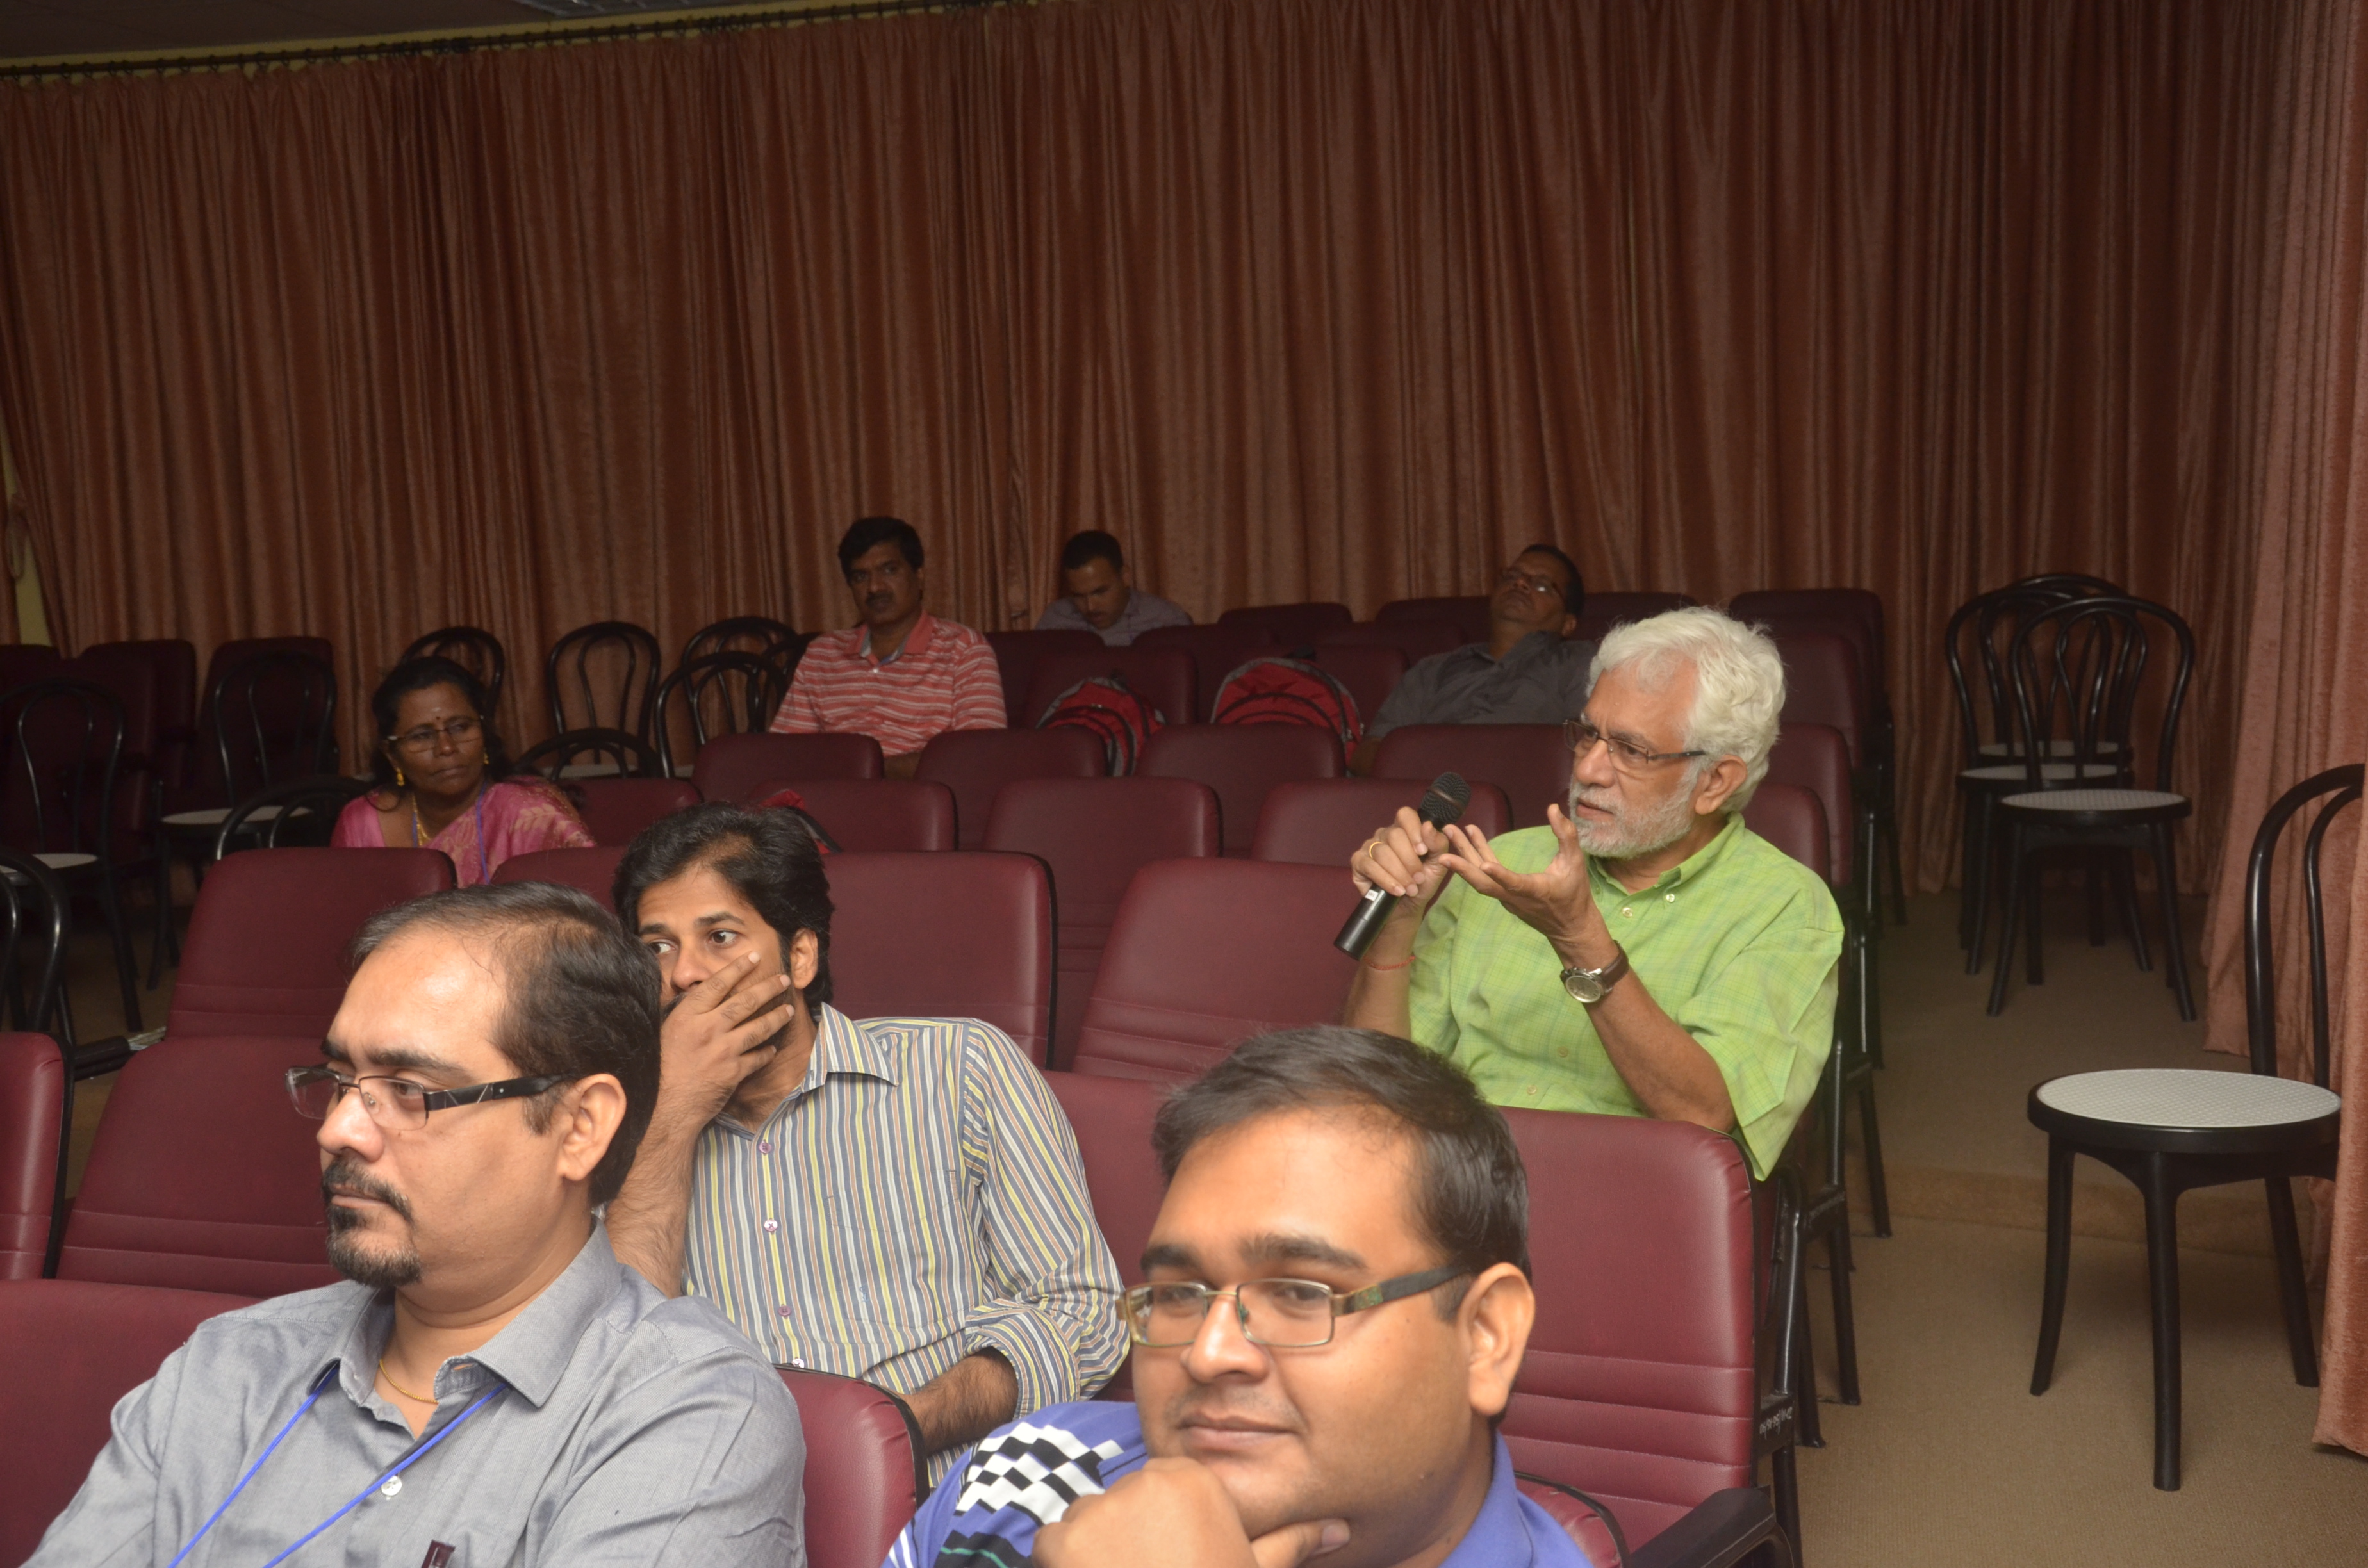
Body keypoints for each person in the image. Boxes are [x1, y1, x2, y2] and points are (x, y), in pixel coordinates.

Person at [27, 881, 805, 1567]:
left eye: (408, 1090)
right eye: (339, 1079)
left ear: (580, 1127)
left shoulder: (688, 1411)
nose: (338, 1129)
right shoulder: (227, 1367)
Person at [885, 1025, 1590, 1568]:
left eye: (1301, 1293)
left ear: (1484, 1337)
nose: (1209, 1352)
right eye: (1178, 1294)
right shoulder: (1022, 1472)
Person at [603, 802, 1126, 1480]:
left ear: (798, 957)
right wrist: (672, 1113)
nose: (685, 975)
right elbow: (618, 1362)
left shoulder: (962, 1067)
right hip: (722, 1493)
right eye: (658, 947)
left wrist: (901, 1425)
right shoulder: (616, 1126)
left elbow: (1083, 1312)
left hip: (951, 1481)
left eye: (721, 937)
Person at [1343, 607, 1841, 1179]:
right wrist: (1398, 924)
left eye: (1632, 751)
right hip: (1454, 1183)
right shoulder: (1503, 861)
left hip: (1619, 1196)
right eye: (1588, 735)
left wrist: (1580, 939)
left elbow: (1704, 1115)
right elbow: (1374, 1088)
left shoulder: (1784, 907)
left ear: (1715, 782)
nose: (1590, 770)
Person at [769, 515, 1005, 778]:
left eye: (890, 570)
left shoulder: (964, 649)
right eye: (861, 576)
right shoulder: (822, 654)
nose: (875, 587)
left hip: (921, 799)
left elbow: (978, 758)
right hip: (829, 797)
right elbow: (785, 755)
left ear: (919, 576)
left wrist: (863, 770)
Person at [333, 655, 593, 883]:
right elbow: (344, 916)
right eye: (422, 736)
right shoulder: (363, 824)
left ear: (484, 732)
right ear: (392, 755)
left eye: (460, 727)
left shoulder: (533, 814)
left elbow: (589, 909)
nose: (446, 748)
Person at [1355, 544, 1597, 769]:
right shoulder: (1432, 669)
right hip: (1429, 792)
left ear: (1568, 623)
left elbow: (1591, 747)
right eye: (1512, 576)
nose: (1520, 583)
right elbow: (1368, 754)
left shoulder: (1581, 662)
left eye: (1542, 585)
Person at [1035, 530, 1193, 646]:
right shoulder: (1054, 621)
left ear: (1125, 577)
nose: (1091, 607)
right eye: (1078, 596)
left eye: (1100, 592)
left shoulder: (1165, 620)